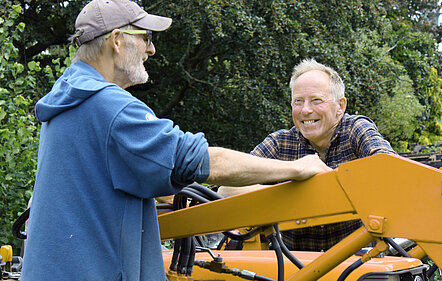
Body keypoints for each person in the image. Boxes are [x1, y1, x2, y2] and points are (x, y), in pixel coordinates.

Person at [20, 1, 331, 280]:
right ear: (116, 40)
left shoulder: (65, 102)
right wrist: (296, 169)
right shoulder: (111, 108)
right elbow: (204, 162)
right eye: (145, 38)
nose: (151, 50)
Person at [218, 58, 395, 252]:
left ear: (340, 106)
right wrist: (294, 173)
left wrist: (324, 182)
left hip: (357, 264)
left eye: (316, 100)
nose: (306, 110)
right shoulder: (280, 143)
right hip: (294, 266)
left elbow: (391, 170)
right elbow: (226, 191)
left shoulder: (355, 130)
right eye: (298, 101)